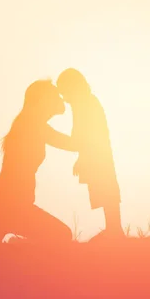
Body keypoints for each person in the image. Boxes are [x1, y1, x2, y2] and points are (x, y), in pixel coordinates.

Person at [0, 80, 77, 246]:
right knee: (63, 235)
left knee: (58, 235)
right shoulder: (33, 126)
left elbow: (7, 174)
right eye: (54, 96)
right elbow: (72, 144)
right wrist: (76, 106)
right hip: (16, 207)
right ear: (43, 100)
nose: (59, 98)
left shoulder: (27, 123)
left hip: (12, 205)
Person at [56, 68, 124, 240]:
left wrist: (82, 155)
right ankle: (113, 229)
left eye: (64, 92)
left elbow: (87, 135)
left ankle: (114, 230)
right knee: (102, 190)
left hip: (98, 155)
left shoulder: (86, 104)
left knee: (106, 190)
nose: (64, 98)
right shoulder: (84, 103)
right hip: (95, 154)